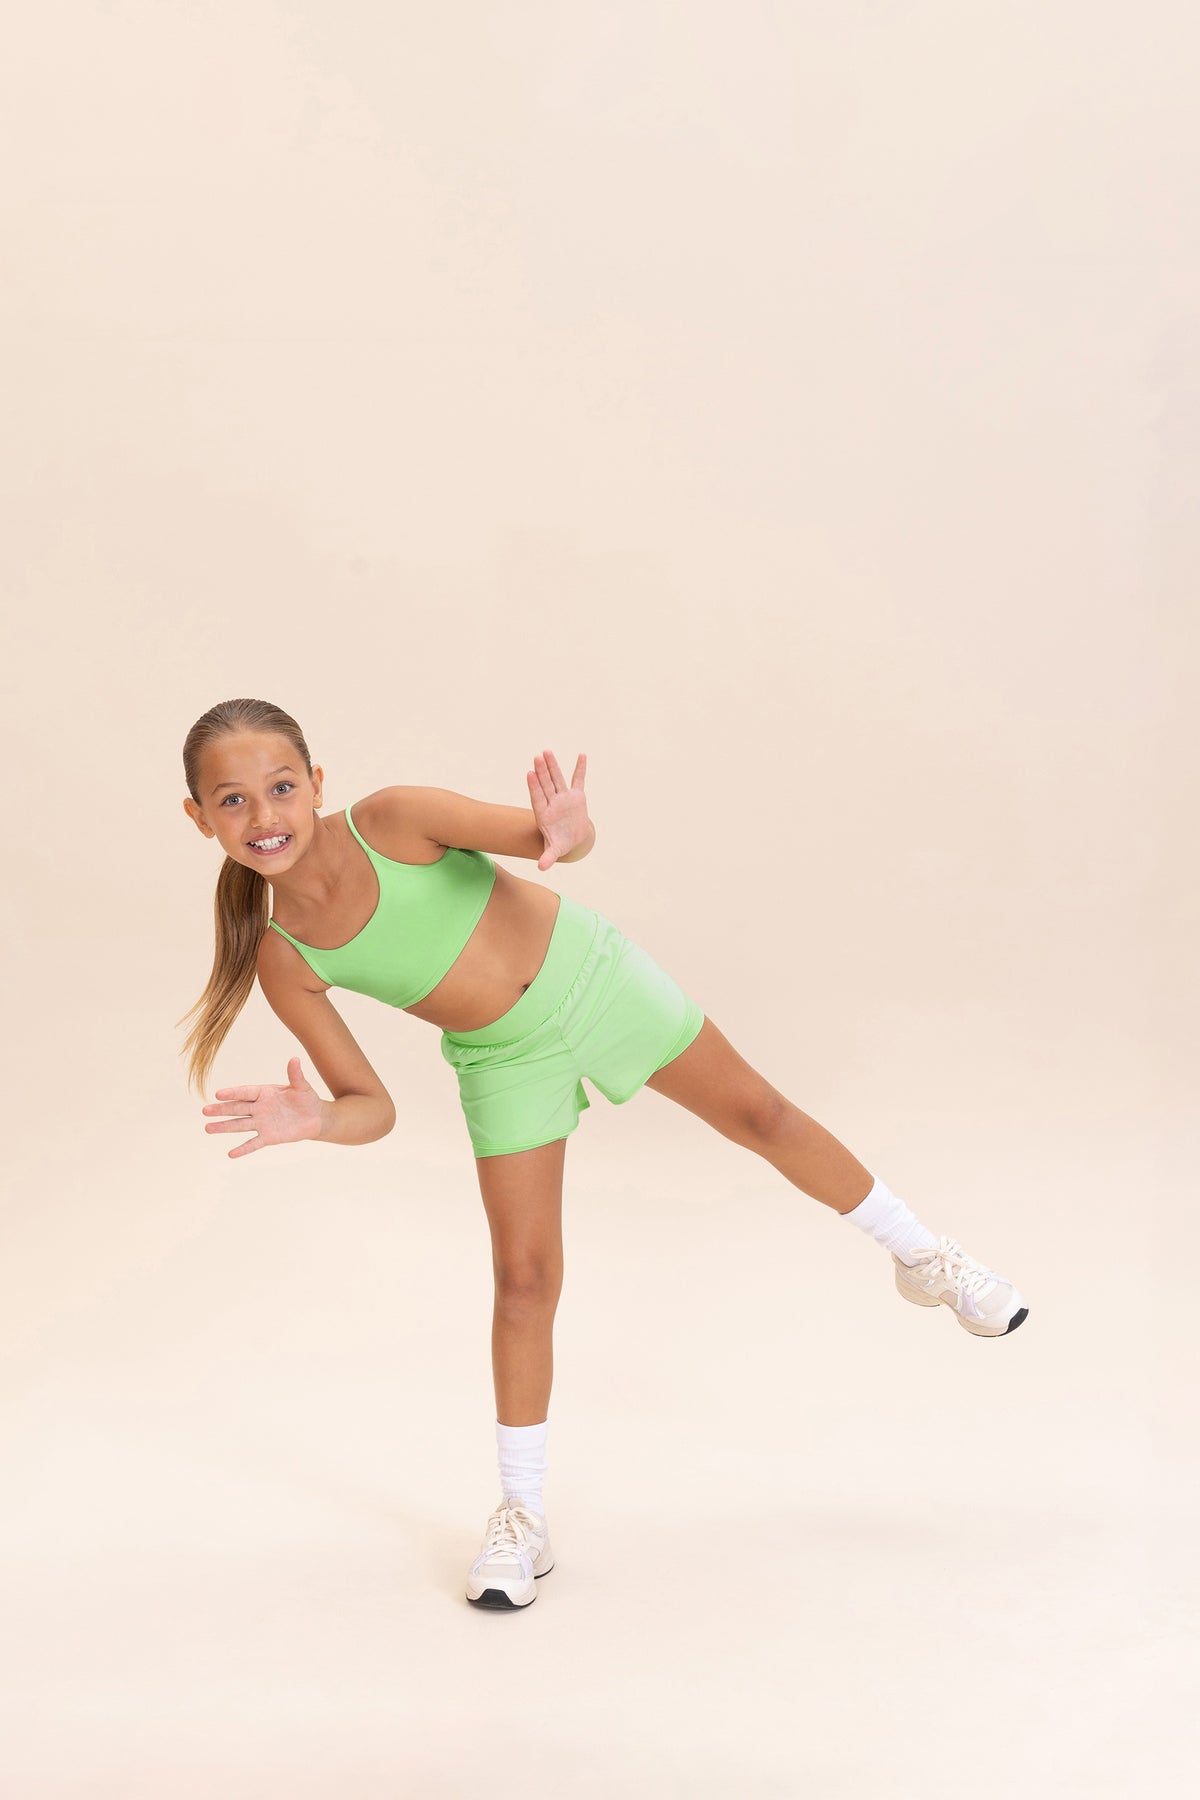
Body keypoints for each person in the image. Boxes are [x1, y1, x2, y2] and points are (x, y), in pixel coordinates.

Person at [180, 697, 1028, 1610]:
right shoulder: (285, 956)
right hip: (504, 1060)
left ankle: (923, 1256)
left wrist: (570, 832)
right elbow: (372, 1110)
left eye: (280, 787)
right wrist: (317, 1120)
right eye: (232, 801)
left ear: (316, 783)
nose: (263, 816)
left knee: (762, 1114)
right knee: (524, 1280)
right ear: (199, 818)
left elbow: (551, 841)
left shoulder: (392, 819)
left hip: (595, 978)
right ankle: (521, 1515)